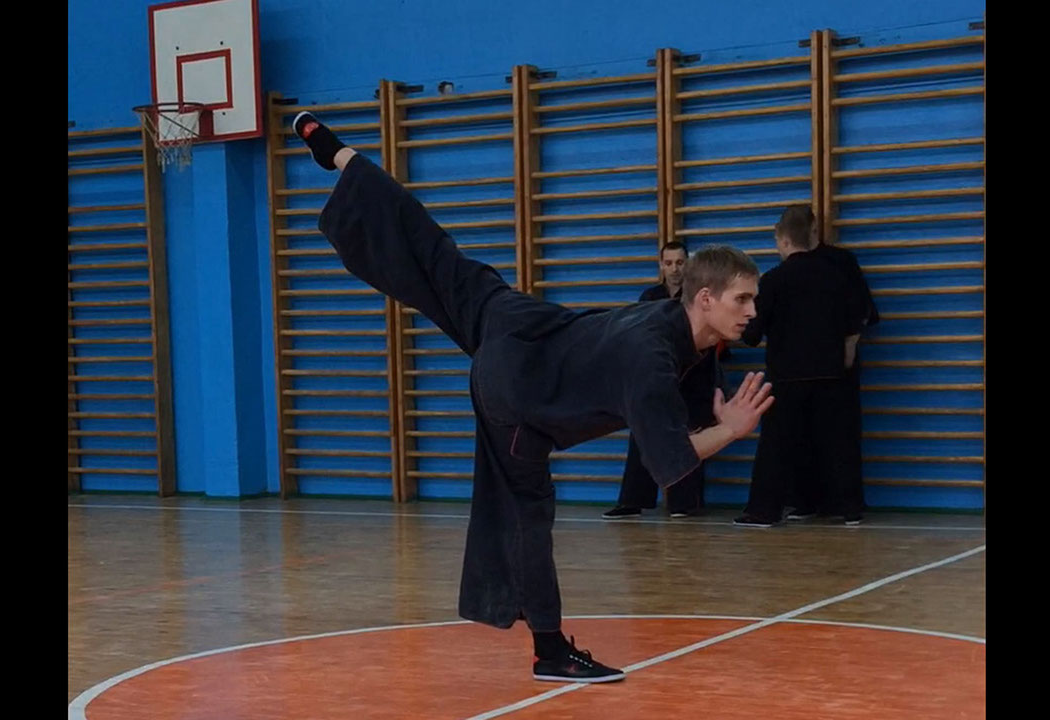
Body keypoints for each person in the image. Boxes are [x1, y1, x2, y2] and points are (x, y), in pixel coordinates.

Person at [293, 112, 775, 682]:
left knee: (436, 252)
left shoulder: (669, 318)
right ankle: (551, 652)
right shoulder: (650, 359)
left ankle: (338, 155)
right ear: (704, 299)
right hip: (516, 388)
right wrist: (732, 429)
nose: (752, 311)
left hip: (515, 319)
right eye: (742, 300)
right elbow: (670, 462)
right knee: (528, 513)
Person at [734, 205, 865, 528]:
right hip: (832, 371)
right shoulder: (837, 273)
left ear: (783, 239)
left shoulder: (774, 280)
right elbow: (858, 317)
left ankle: (764, 510)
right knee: (838, 442)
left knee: (777, 446)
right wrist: (847, 351)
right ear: (812, 235)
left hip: (787, 375)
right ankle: (849, 508)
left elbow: (752, 333)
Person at [602, 241, 723, 519]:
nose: (674, 269)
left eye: (680, 263)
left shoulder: (699, 297)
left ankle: (685, 503)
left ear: (688, 264)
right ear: (661, 266)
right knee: (643, 435)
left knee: (690, 438)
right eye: (668, 263)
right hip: (656, 377)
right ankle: (632, 500)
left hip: (694, 377)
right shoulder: (650, 297)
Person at [785, 220, 880, 522]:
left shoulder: (839, 261)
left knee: (840, 436)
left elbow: (861, 308)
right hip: (799, 366)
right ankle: (805, 501)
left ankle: (848, 504)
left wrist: (850, 345)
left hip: (836, 364)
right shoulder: (787, 269)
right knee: (802, 435)